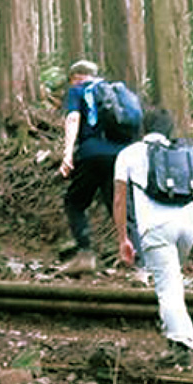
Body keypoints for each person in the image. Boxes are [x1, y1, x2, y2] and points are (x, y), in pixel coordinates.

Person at [113, 108, 193, 367]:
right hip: (188, 225)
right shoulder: (184, 154)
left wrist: (123, 238)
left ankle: (182, 346)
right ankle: (173, 334)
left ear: (144, 129)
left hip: (156, 228)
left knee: (168, 287)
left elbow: (119, 200)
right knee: (172, 281)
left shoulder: (129, 154)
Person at [59, 60, 131, 274]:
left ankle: (85, 254)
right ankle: (133, 256)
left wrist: (67, 154)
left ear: (76, 77)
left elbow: (73, 118)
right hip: (120, 155)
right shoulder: (114, 92)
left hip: (91, 153)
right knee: (116, 204)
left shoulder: (78, 91)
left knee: (75, 202)